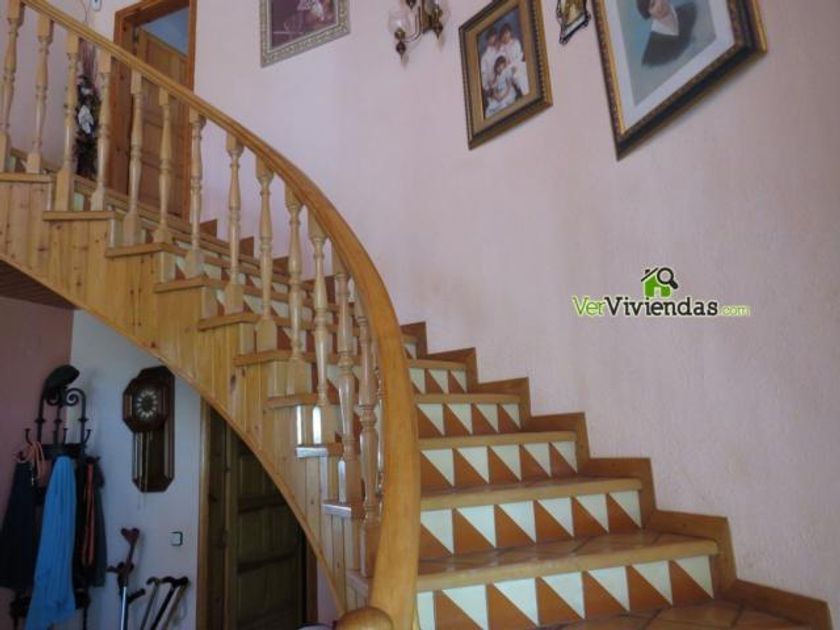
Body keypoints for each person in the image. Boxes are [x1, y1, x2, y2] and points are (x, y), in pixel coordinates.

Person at [636, 0, 697, 66]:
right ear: (648, 13)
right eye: (653, 5)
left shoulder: (691, 9)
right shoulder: (651, 55)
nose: (659, 4)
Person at [499, 23, 529, 96]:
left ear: (510, 32)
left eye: (507, 33)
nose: (506, 35)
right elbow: (504, 62)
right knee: (518, 77)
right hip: (509, 69)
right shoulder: (502, 48)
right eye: (504, 34)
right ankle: (527, 94)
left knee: (526, 71)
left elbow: (519, 56)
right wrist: (510, 67)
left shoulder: (516, 42)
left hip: (518, 64)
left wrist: (514, 65)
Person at [480, 27, 502, 95]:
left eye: (495, 36)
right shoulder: (484, 57)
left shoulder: (500, 49)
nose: (494, 39)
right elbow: (484, 75)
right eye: (492, 37)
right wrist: (488, 87)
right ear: (488, 39)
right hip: (493, 83)